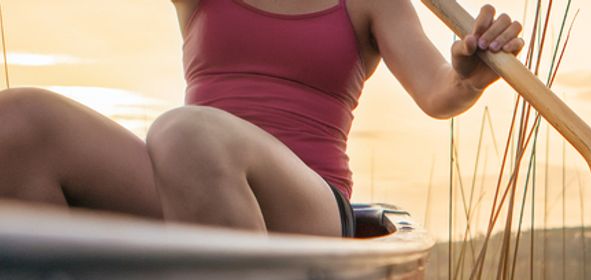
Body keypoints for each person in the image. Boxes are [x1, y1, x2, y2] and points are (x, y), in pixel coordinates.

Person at [0, 0, 524, 237]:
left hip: (306, 203)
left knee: (186, 132)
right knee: (17, 120)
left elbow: (438, 92)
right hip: (189, 181)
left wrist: (469, 76)